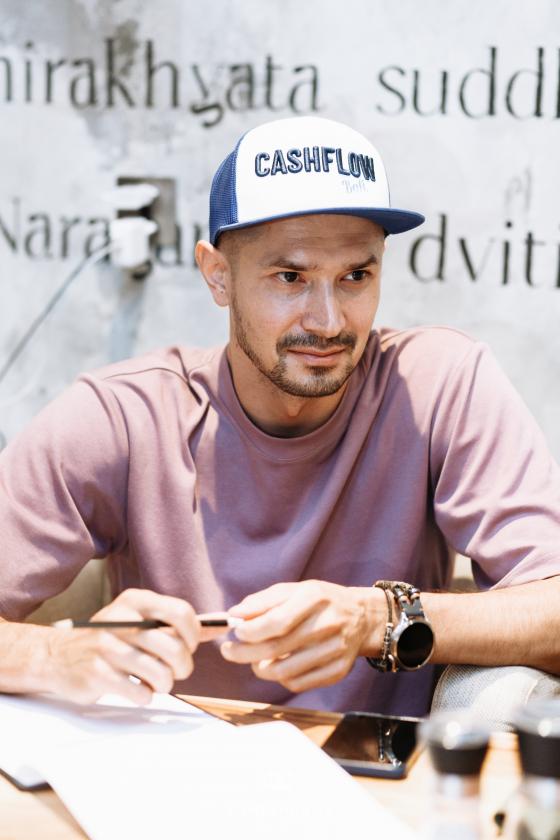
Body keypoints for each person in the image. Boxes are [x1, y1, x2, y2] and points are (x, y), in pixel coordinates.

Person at [1, 116, 559, 717]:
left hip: (372, 765)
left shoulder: (439, 385)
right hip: (171, 757)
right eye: (290, 277)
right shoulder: (123, 417)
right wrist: (57, 654)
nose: (328, 321)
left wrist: (377, 618)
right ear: (218, 275)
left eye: (356, 276)